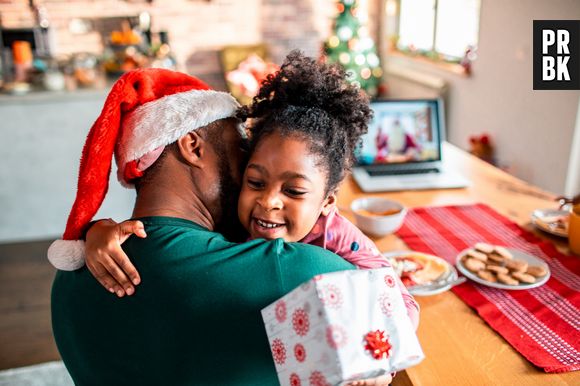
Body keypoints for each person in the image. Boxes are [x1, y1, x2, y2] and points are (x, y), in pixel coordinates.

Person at [49, 66, 393, 385]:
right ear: (193, 146)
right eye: (241, 146)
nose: (249, 168)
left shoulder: (71, 276)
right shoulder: (301, 273)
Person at [82, 52, 419, 329]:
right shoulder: (243, 233)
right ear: (192, 148)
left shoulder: (335, 239)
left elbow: (399, 302)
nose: (268, 200)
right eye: (254, 179)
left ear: (327, 202)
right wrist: (95, 231)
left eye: (295, 190)